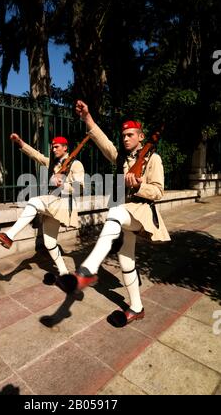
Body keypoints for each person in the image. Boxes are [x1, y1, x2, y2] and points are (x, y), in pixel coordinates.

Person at [72, 100, 170, 325]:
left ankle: (88, 269)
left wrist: (137, 186)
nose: (125, 138)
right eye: (124, 135)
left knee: (114, 213)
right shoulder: (121, 158)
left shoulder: (153, 159)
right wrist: (87, 117)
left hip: (141, 212)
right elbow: (102, 140)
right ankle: (136, 308)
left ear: (141, 137)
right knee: (126, 260)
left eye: (130, 135)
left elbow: (158, 191)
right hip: (126, 213)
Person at [0, 134, 85, 278]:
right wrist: (20, 142)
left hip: (64, 203)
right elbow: (37, 156)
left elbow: (80, 188)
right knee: (49, 243)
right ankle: (64, 273)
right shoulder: (53, 162)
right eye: (52, 146)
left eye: (56, 146)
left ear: (65, 148)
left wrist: (63, 184)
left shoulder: (76, 164)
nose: (53, 149)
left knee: (34, 201)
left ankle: (9, 236)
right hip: (53, 203)